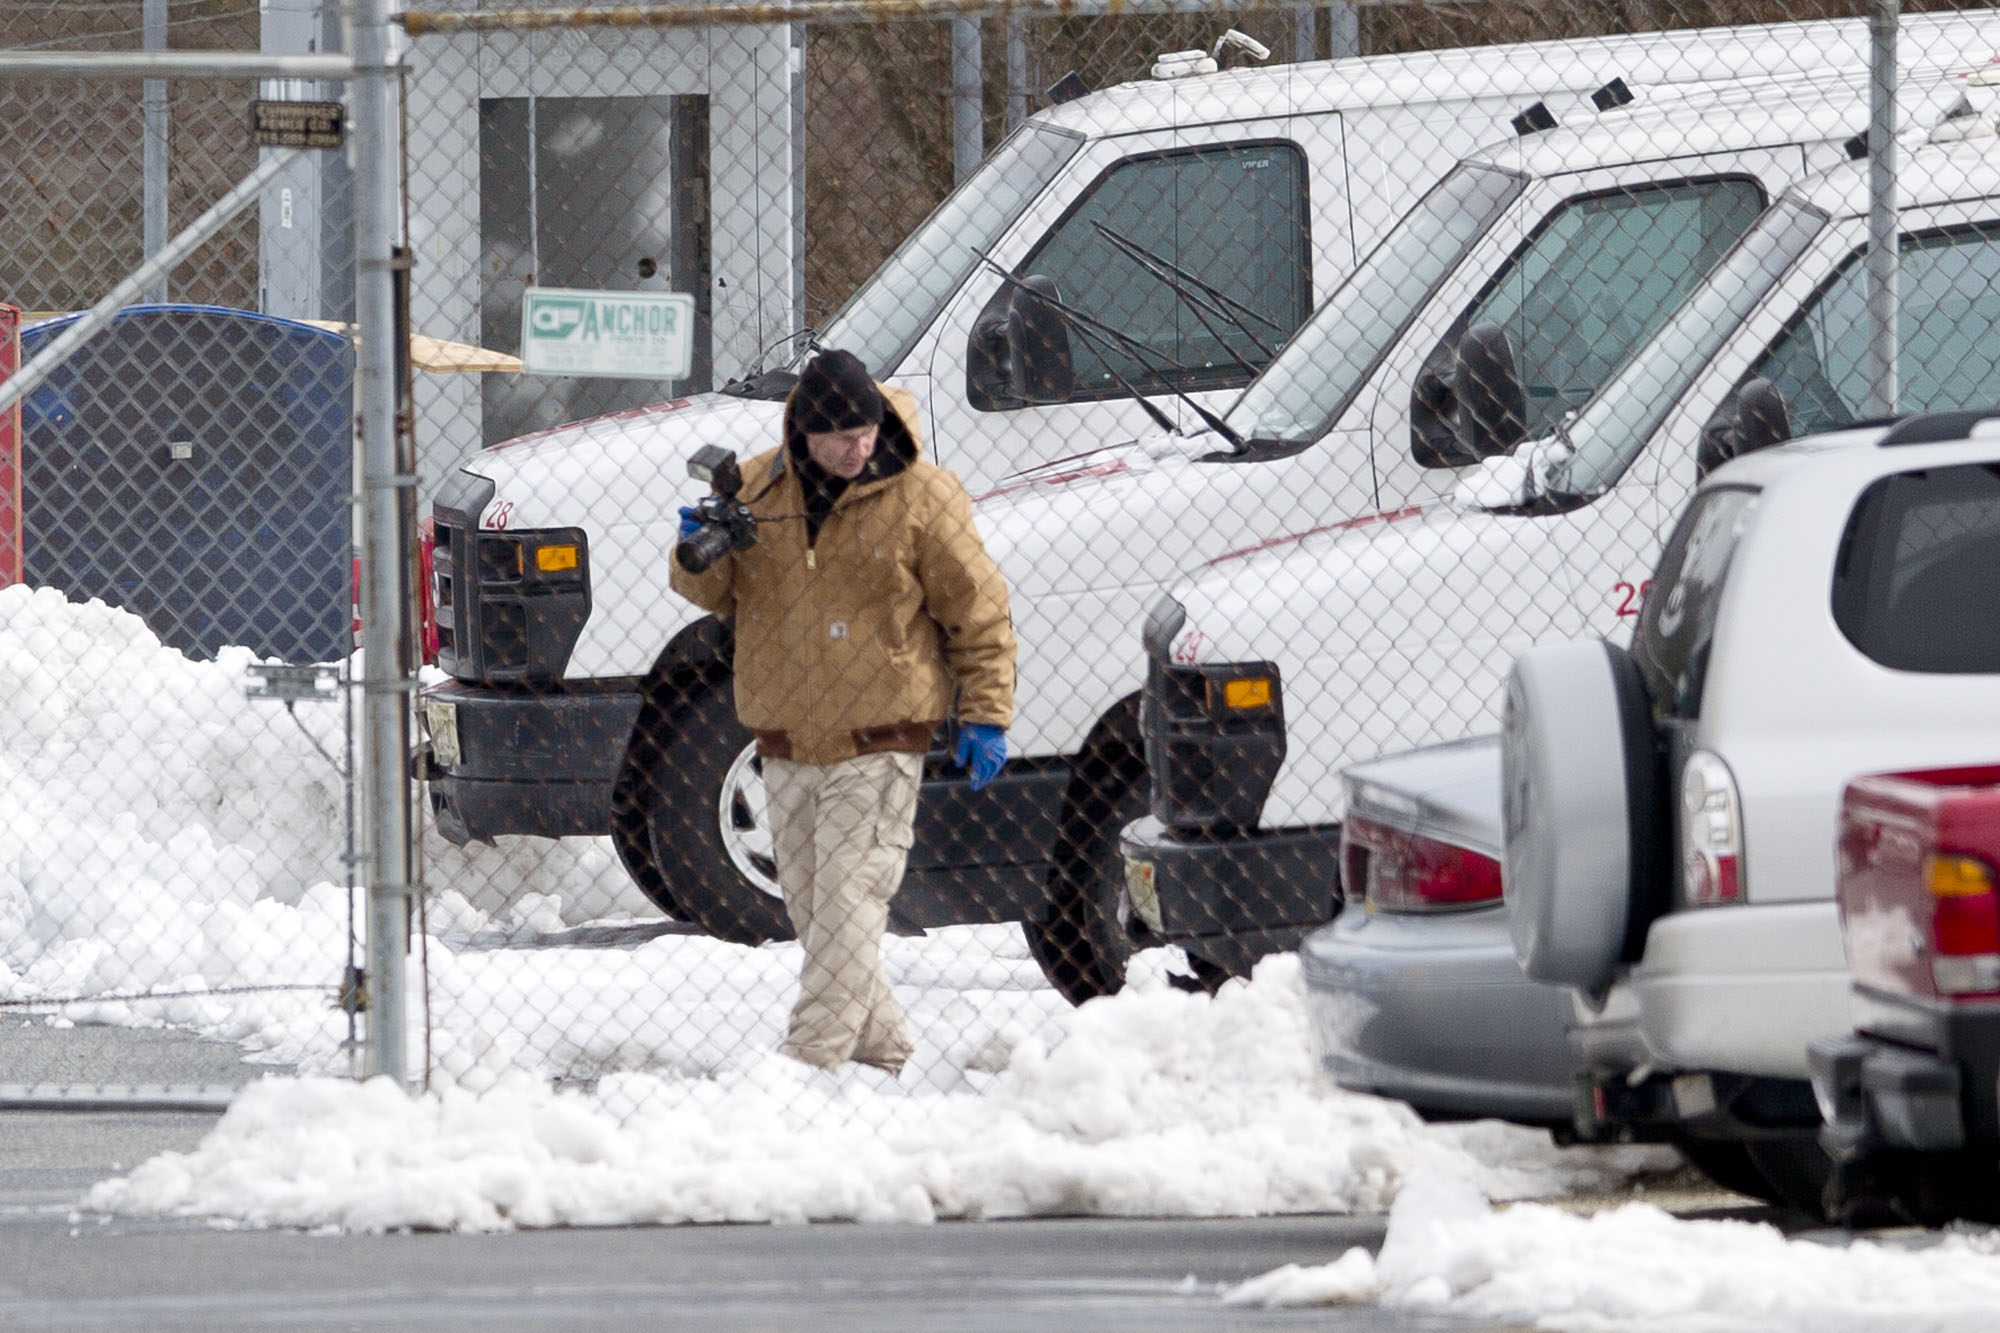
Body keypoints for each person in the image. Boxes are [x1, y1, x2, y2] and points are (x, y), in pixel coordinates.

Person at [669, 348, 1016, 1076]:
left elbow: (977, 609)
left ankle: (810, 1059)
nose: (857, 449)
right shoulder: (761, 486)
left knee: (853, 894)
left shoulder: (924, 495)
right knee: (819, 912)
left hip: (884, 731)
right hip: (789, 734)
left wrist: (986, 710)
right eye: (841, 439)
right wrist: (698, 539)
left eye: (866, 433)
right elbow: (709, 594)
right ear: (807, 435)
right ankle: (884, 1052)